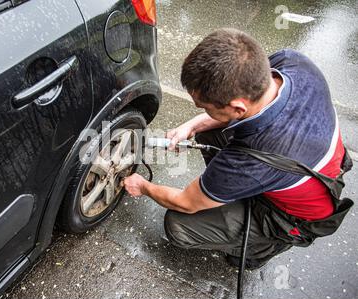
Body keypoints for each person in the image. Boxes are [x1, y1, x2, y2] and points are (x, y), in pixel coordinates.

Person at [122, 28, 353, 269]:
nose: (201, 111)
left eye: (204, 107)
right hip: (305, 165)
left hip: (294, 216)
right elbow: (243, 109)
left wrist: (144, 186)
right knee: (209, 133)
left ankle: (262, 245)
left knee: (178, 224)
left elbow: (185, 202)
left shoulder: (250, 161)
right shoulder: (293, 62)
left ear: (238, 108)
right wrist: (190, 126)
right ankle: (226, 191)